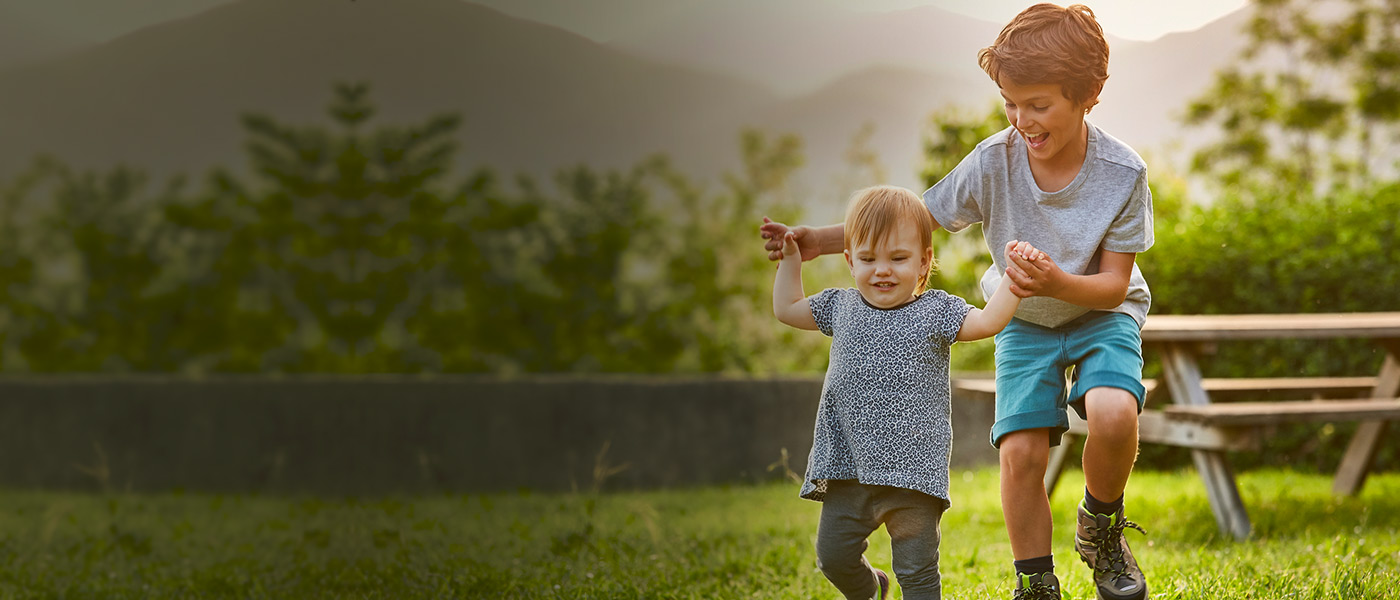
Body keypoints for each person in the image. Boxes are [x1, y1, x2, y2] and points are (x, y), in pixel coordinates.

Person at [761, 5, 1154, 599]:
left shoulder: (1122, 173)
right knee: (1021, 451)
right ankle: (1036, 583)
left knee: (1113, 413)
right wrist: (818, 241)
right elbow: (913, 219)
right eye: (1009, 103)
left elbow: (1113, 285)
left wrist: (1055, 283)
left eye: (1038, 104)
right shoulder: (992, 160)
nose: (1022, 120)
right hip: (1022, 318)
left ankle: (1100, 527)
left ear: (1088, 95)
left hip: (1102, 313)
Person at [773, 185, 1039, 600]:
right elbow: (787, 308)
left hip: (913, 474)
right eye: (868, 259)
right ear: (849, 261)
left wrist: (1013, 283)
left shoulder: (936, 311)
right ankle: (871, 590)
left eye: (898, 259)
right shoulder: (840, 307)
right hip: (848, 468)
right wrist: (791, 261)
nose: (882, 270)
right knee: (832, 556)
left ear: (923, 262)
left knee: (916, 573)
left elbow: (987, 322)